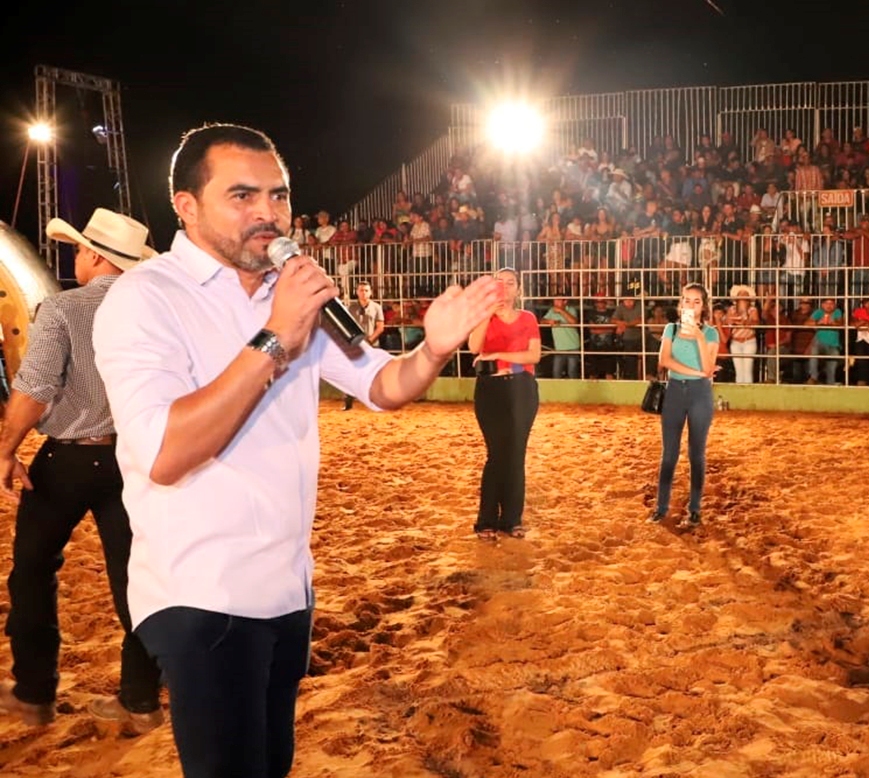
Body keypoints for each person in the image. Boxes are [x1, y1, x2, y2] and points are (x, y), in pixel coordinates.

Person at [91, 123, 503, 778]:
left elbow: (381, 384)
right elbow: (165, 451)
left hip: (286, 592)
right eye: (243, 196)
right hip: (202, 597)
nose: (268, 214)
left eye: (278, 196)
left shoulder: (289, 295)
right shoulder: (146, 299)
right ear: (186, 205)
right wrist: (277, 335)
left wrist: (433, 349)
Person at [0, 209, 163, 734]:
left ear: (94, 255)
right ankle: (140, 701)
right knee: (136, 581)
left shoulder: (65, 308)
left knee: (32, 572)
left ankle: (35, 694)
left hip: (67, 458)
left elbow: (35, 387)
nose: (75, 258)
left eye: (78, 250)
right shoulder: (156, 311)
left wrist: (6, 449)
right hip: (134, 458)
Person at [467, 267, 541, 541]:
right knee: (496, 454)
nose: (505, 287)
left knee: (515, 454)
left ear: (518, 290)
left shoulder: (528, 318)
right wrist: (487, 313)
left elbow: (534, 356)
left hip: (522, 388)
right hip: (490, 389)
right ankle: (487, 519)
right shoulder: (482, 317)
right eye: (500, 283)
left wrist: (497, 353)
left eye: (511, 283)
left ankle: (511, 519)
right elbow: (474, 347)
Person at [648, 283, 719, 529]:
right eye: (686, 300)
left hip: (700, 394)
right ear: (680, 304)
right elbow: (664, 361)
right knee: (669, 454)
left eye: (696, 301)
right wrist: (697, 371)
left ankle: (695, 509)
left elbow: (708, 367)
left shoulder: (710, 334)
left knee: (696, 454)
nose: (690, 305)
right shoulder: (671, 329)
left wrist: (698, 336)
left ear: (703, 306)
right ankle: (661, 507)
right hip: (676, 391)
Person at [342, 280, 385, 410]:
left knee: (374, 373)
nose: (364, 293)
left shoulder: (377, 307)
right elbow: (346, 325)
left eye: (366, 290)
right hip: (356, 344)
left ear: (370, 292)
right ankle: (348, 401)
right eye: (361, 290)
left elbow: (380, 327)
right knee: (351, 372)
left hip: (372, 344)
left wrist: (370, 340)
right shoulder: (351, 307)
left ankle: (377, 400)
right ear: (357, 292)